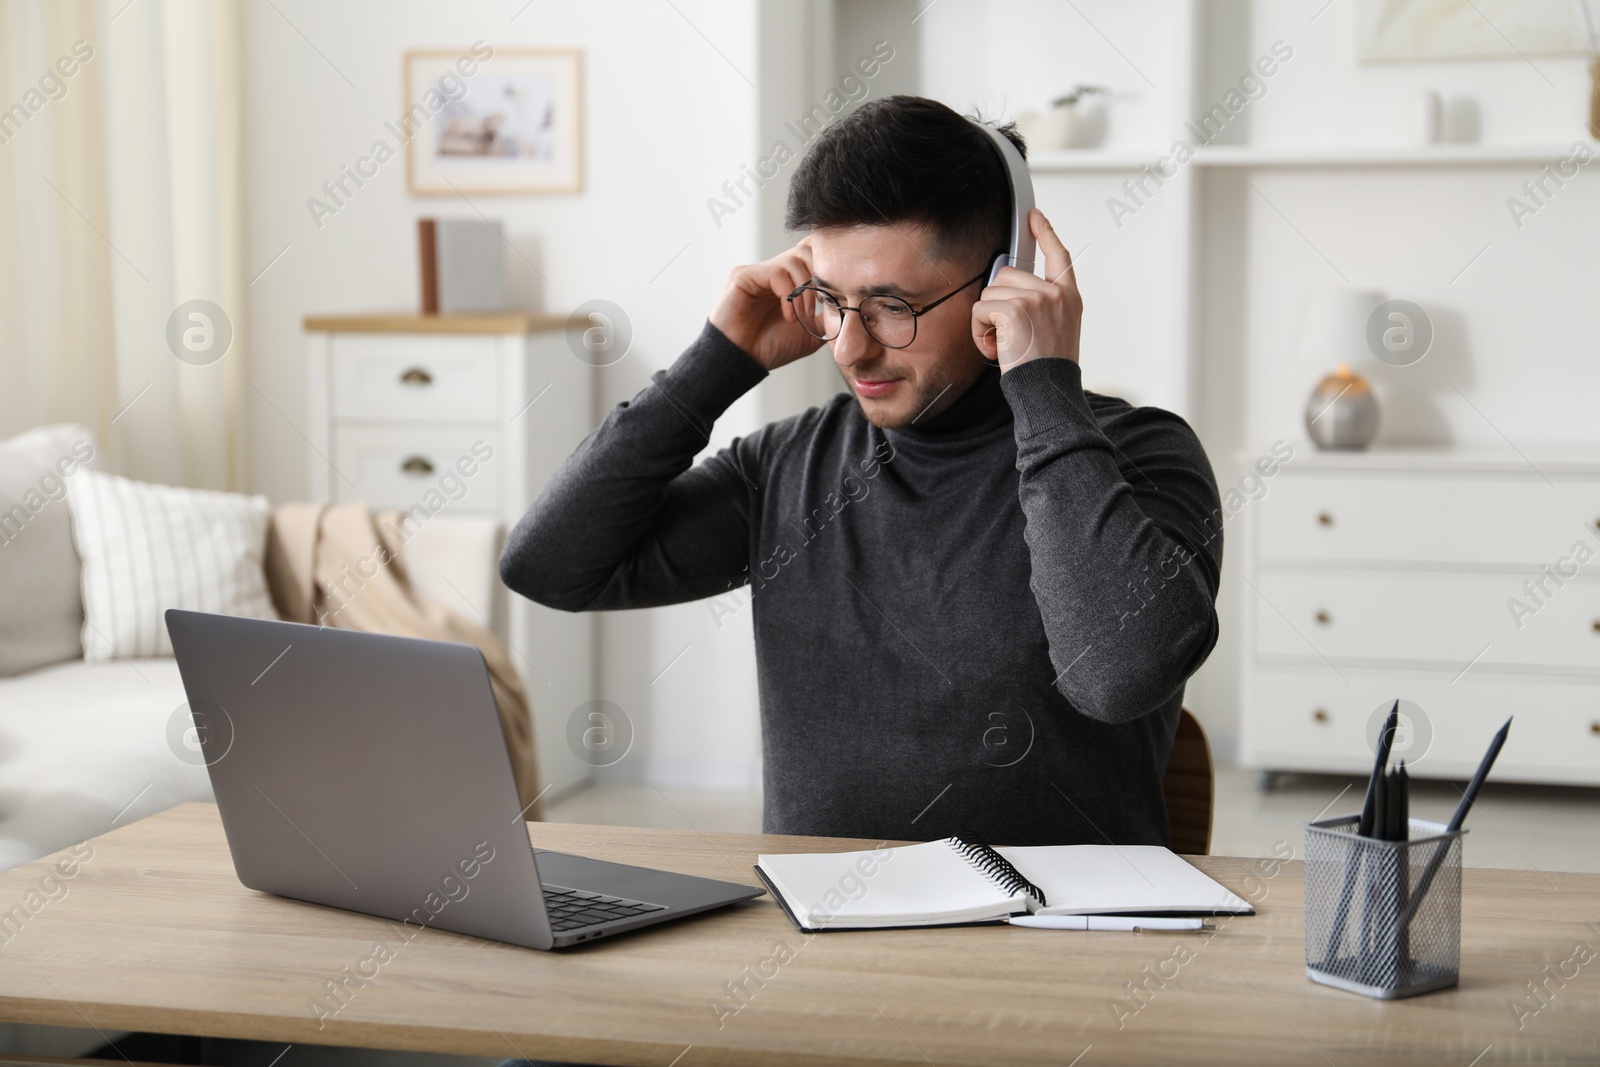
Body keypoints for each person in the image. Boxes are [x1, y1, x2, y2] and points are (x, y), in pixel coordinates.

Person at [500, 95, 1222, 849]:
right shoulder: (791, 464)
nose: (849, 347)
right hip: (820, 942)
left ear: (1005, 280)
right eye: (832, 301)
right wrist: (716, 363)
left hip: (1048, 945)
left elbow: (1116, 677)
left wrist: (1043, 384)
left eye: (890, 307)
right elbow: (547, 567)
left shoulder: (1141, 457)